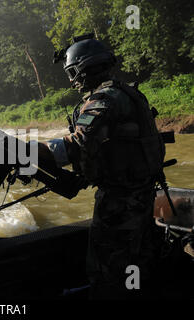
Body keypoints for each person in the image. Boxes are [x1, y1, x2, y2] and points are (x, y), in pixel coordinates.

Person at [38, 35, 166, 299]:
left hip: (119, 204)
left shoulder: (104, 98)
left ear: (84, 68)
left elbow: (76, 145)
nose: (72, 80)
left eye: (72, 72)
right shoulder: (128, 92)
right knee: (139, 262)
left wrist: (21, 150)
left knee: (107, 269)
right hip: (143, 194)